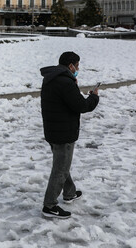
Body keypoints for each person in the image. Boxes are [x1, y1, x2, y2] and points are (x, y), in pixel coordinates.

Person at [40, 51, 99, 219]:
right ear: (71, 65)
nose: (78, 68)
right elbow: (81, 106)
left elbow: (66, 101)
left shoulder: (52, 78)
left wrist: (73, 86)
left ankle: (69, 192)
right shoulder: (65, 82)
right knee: (61, 168)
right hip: (63, 132)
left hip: (53, 129)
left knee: (62, 164)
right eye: (77, 65)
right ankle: (49, 205)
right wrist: (94, 97)